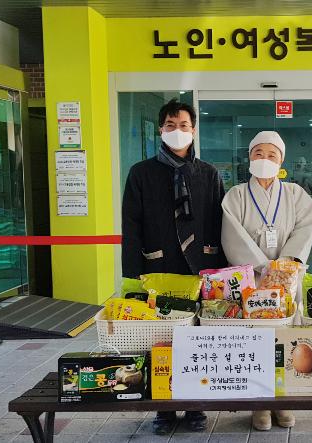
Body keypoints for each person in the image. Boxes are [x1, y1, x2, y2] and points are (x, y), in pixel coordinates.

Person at [122, 99, 227, 434]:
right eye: (170, 125)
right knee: (158, 339)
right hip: (158, 267)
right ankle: (163, 407)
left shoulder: (208, 173)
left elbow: (220, 222)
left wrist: (221, 270)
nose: (177, 131)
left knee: (198, 339)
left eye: (183, 125)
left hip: (201, 268)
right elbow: (131, 224)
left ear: (193, 130)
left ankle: (196, 405)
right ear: (160, 129)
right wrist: (133, 272)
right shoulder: (141, 172)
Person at [221, 131, 312, 431]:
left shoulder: (296, 195)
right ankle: (258, 404)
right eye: (258, 153)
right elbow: (232, 235)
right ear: (249, 157)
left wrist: (283, 267)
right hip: (250, 281)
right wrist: (264, 268)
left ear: (281, 160)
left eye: (272, 155)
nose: (264, 159)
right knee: (253, 342)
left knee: (286, 339)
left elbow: (305, 228)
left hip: (286, 281)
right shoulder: (236, 195)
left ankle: (283, 400)